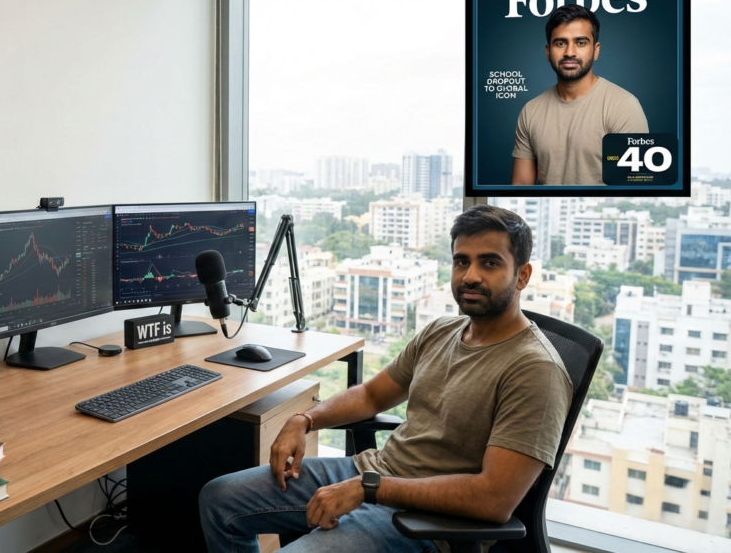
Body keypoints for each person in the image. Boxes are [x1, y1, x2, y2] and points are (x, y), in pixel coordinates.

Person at [199, 205, 573, 552]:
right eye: (462, 261)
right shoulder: (442, 331)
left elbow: (494, 500)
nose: (470, 276)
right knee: (220, 499)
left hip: (426, 522)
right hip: (375, 475)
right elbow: (371, 396)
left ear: (522, 275)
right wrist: (304, 420)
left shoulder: (536, 370)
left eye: (489, 263)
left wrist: (369, 489)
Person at [511, 4, 648, 186]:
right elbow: (520, 187)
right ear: (547, 51)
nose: (569, 52)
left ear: (596, 50)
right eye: (560, 43)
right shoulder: (530, 111)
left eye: (580, 42)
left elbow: (635, 190)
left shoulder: (624, 106)